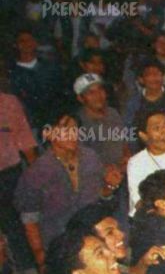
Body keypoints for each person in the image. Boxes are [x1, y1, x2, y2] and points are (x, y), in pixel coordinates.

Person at [14, 113, 123, 270]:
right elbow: (30, 219)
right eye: (65, 129)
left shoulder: (90, 158)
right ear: (48, 134)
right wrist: (40, 256)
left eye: (75, 129)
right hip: (59, 247)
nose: (72, 134)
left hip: (93, 245)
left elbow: (100, 200)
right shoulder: (37, 172)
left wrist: (110, 186)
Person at [0, 91, 38, 273]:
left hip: (9, 175)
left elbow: (25, 139)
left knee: (16, 227)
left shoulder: (7, 102)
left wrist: (36, 174)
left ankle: (26, 268)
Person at [74, 72, 131, 168]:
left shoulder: (113, 113)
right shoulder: (78, 122)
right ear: (80, 98)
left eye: (100, 89)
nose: (98, 95)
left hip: (123, 168)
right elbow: (80, 159)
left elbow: (124, 143)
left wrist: (127, 157)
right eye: (91, 93)